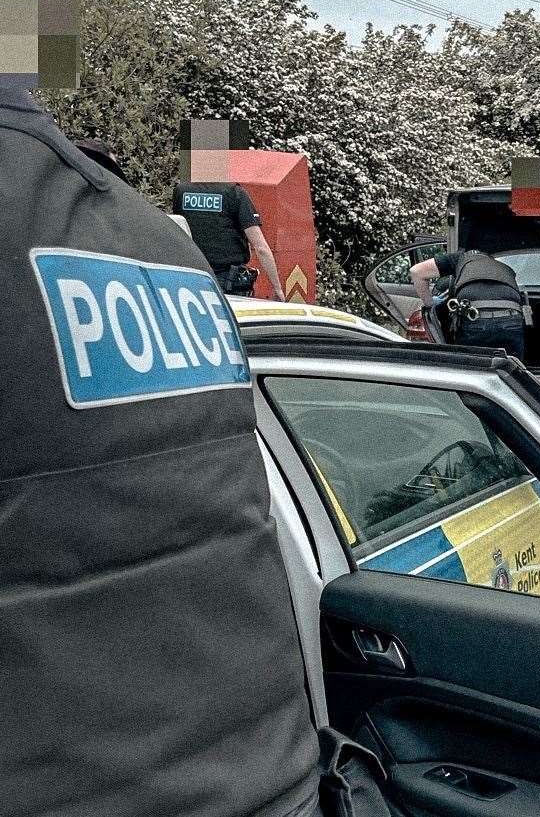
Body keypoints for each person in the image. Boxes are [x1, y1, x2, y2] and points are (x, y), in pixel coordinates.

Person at [1, 84, 323, 817]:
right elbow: (263, 247)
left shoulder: (172, 205)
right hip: (276, 782)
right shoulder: (155, 243)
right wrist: (270, 290)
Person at [173, 179, 285, 299]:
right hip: (228, 284)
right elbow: (261, 248)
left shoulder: (181, 191)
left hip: (191, 280)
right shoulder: (234, 193)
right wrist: (277, 288)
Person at [410, 249, 527, 359]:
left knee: (472, 368)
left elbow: (416, 271)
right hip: (512, 318)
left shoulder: (459, 258)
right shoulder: (501, 267)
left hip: (475, 318)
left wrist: (429, 302)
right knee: (513, 371)